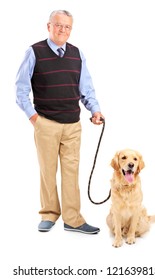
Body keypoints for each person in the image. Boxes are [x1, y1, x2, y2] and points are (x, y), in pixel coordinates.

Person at [15, 10, 104, 234]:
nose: (63, 30)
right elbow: (21, 90)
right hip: (46, 123)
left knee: (71, 173)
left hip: (73, 125)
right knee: (48, 170)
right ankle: (49, 214)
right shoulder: (34, 51)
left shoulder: (77, 54)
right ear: (49, 26)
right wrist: (34, 119)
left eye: (67, 27)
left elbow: (86, 88)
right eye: (58, 25)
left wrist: (95, 110)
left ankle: (72, 219)